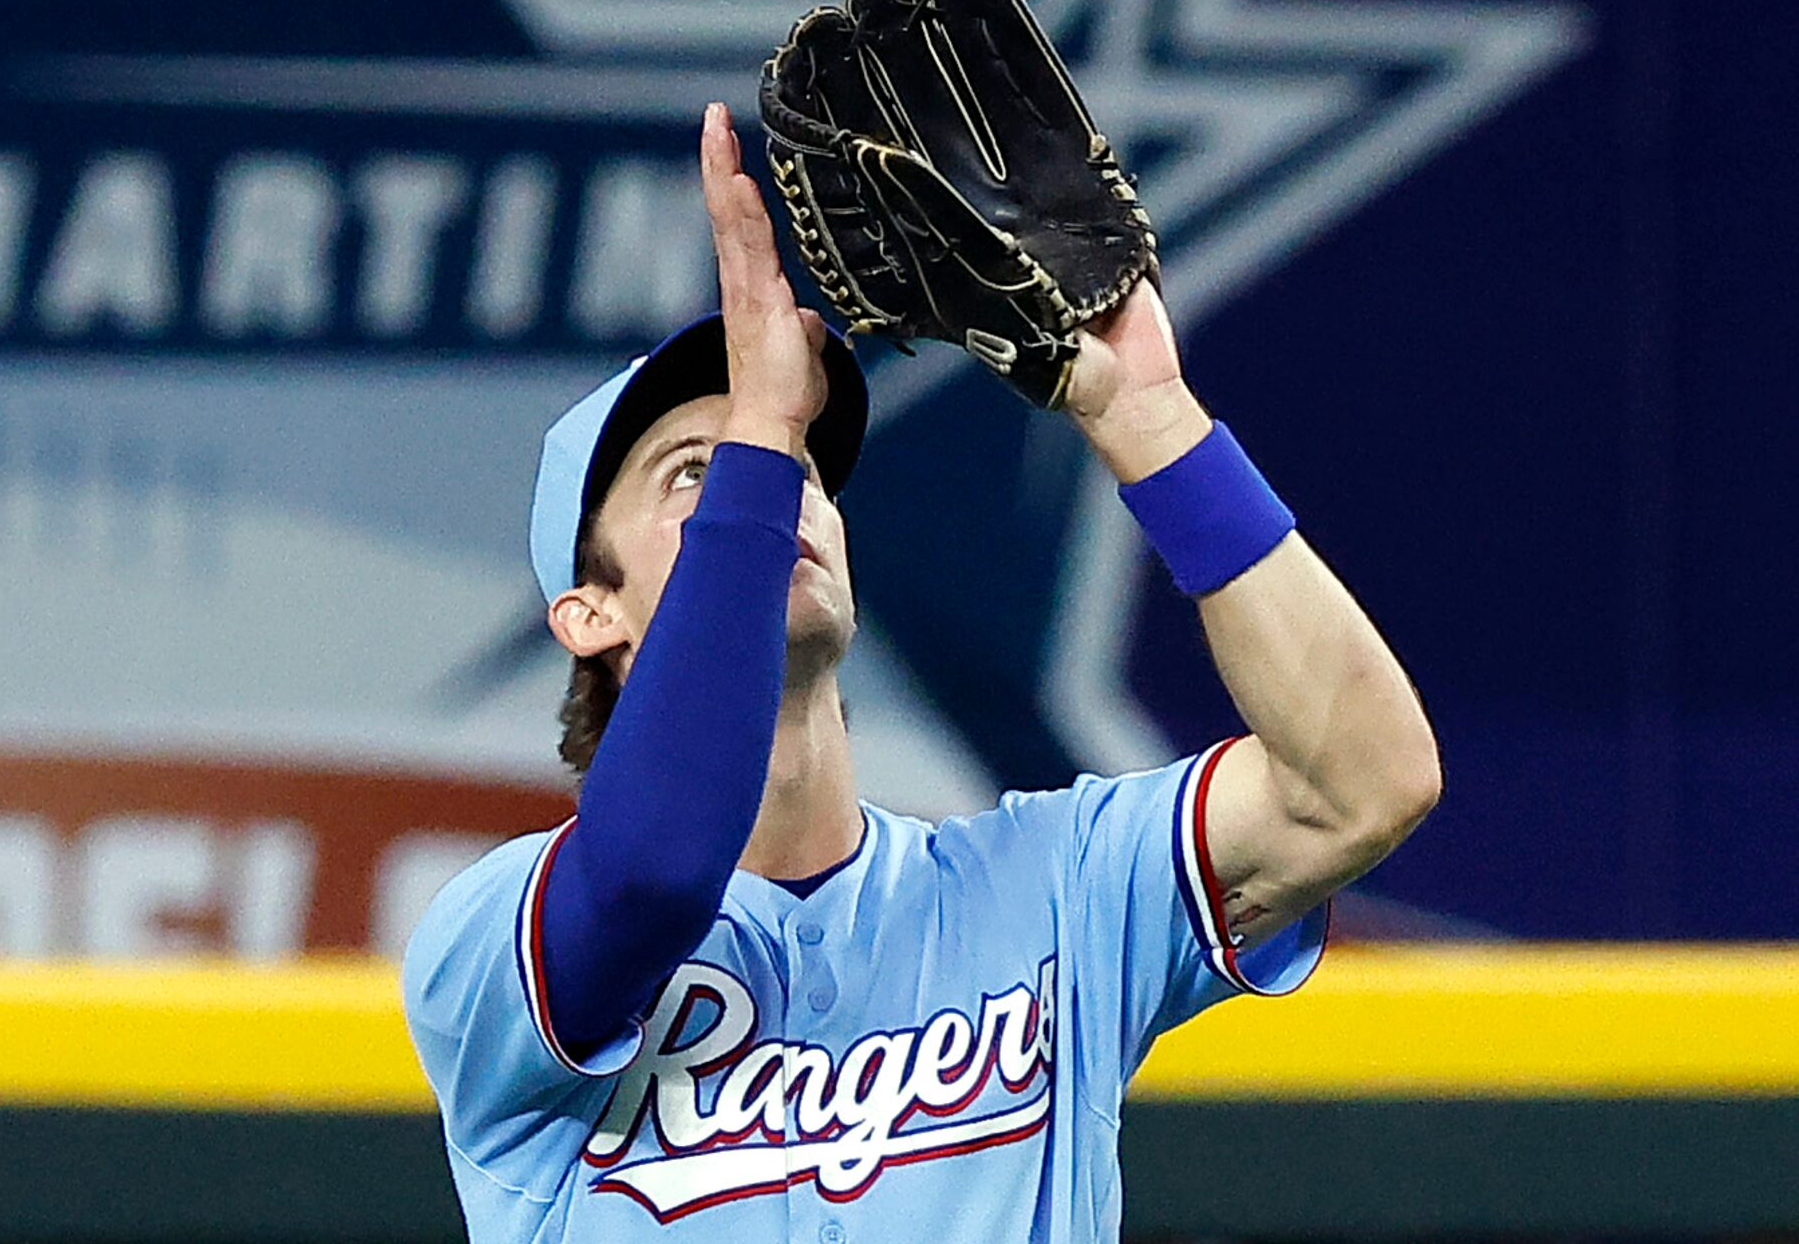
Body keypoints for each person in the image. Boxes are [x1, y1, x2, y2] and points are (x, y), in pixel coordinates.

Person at [403, 102, 1441, 1241]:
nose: (774, 482)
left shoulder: (1056, 889)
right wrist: (757, 427)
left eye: (796, 461)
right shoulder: (491, 939)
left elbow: (1362, 785)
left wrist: (1151, 420)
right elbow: (654, 873)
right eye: (694, 473)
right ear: (589, 611)